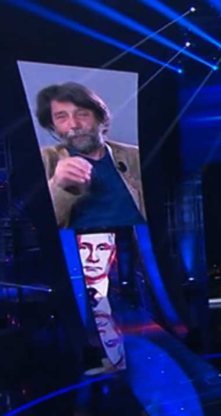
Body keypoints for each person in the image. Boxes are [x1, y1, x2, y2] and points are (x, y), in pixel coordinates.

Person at [35, 82, 145, 228]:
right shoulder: (45, 159)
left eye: (82, 114)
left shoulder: (135, 156)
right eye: (61, 117)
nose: (74, 124)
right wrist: (57, 185)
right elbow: (35, 224)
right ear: (53, 127)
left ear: (101, 119)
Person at [77, 232, 117, 297]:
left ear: (113, 253)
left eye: (102, 249)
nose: (93, 258)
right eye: (84, 247)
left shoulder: (129, 292)